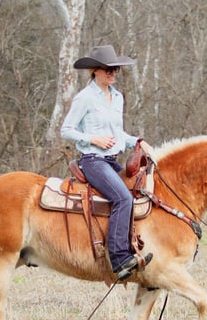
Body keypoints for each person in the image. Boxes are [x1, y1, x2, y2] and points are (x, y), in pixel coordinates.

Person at [60, 45, 154, 281]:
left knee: (136, 193)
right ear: (95, 71)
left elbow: (119, 134)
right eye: (108, 69)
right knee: (122, 197)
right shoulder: (85, 98)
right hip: (92, 161)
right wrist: (93, 139)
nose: (113, 73)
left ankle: (132, 245)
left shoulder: (118, 97)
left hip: (111, 160)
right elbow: (66, 130)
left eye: (116, 69)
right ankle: (119, 259)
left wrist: (138, 141)